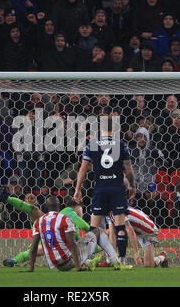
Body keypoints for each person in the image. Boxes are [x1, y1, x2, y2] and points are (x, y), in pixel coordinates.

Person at [74, 114, 135, 267]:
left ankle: (86, 260)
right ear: (114, 129)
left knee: (94, 228)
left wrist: (77, 189)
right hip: (117, 188)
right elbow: (128, 168)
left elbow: (83, 169)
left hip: (100, 188)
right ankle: (119, 261)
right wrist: (132, 186)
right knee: (120, 226)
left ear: (100, 128)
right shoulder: (121, 144)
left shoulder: (92, 144)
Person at [27, 196, 122, 272]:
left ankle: (89, 263)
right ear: (59, 206)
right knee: (98, 232)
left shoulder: (38, 222)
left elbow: (34, 246)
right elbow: (72, 244)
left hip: (56, 264)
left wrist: (31, 268)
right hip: (69, 261)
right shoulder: (64, 219)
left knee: (74, 244)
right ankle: (115, 261)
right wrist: (78, 268)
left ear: (46, 207)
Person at [2, 197, 94, 267]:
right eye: (80, 210)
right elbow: (85, 227)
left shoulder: (70, 222)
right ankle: (7, 198)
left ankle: (13, 261)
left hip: (53, 242)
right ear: (76, 207)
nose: (81, 213)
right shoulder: (69, 212)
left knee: (39, 249)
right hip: (49, 235)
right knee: (35, 212)